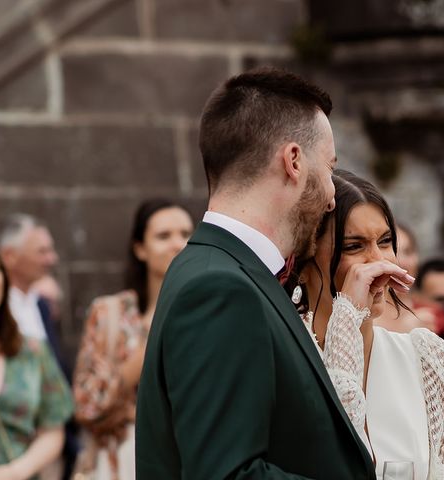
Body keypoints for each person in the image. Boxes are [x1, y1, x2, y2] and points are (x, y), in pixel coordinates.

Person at [135, 68, 384, 479]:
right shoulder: (220, 289)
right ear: (293, 162)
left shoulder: (224, 270)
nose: (329, 198)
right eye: (329, 169)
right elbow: (228, 475)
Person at [289, 169, 444, 480]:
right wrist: (348, 315)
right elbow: (335, 457)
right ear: (302, 263)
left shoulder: (424, 356)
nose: (381, 263)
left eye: (385, 242)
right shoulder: (284, 354)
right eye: (354, 246)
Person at [72, 199, 193, 480]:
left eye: (186, 234)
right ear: (140, 248)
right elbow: (86, 404)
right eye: (163, 236)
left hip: (185, 457)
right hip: (121, 459)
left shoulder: (206, 312)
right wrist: (143, 352)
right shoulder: (110, 313)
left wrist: (124, 404)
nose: (178, 243)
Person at [0, 213, 76, 479]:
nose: (51, 259)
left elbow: (53, 419)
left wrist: (17, 471)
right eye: (41, 251)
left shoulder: (38, 321)